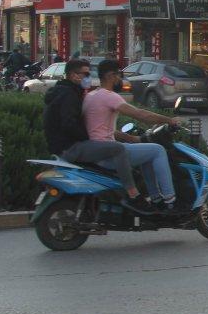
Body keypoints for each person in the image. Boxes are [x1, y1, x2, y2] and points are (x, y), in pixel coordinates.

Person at [42, 60, 142, 207]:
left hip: (61, 147)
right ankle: (133, 194)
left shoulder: (64, 91)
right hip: (71, 147)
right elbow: (69, 124)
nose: (89, 77)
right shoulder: (69, 95)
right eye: (86, 74)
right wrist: (88, 136)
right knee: (118, 148)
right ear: (73, 75)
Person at [83, 59, 182, 209]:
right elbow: (140, 114)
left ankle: (156, 198)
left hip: (97, 151)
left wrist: (131, 138)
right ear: (110, 76)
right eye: (119, 75)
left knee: (147, 154)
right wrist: (169, 120)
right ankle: (170, 200)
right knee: (158, 150)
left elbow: (103, 129)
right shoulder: (109, 96)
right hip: (108, 153)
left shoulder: (91, 95)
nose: (120, 79)